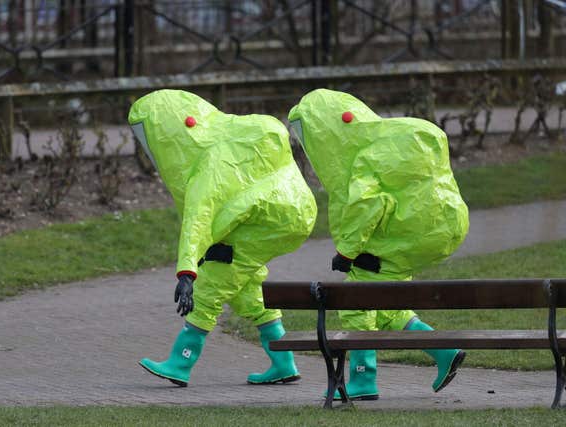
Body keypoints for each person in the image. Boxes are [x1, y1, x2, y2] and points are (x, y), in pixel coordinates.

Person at [288, 88, 469, 400]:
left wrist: (347, 252)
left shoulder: (363, 157)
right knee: (386, 302)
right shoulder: (383, 146)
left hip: (397, 241)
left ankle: (362, 379)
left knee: (357, 298)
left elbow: (368, 205)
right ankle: (444, 351)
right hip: (426, 234)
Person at [129, 89, 317, 387]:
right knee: (248, 288)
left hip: (263, 221)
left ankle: (181, 362)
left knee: (212, 281)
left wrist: (188, 272)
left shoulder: (212, 162)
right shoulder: (233, 138)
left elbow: (199, 218)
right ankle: (284, 362)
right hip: (288, 214)